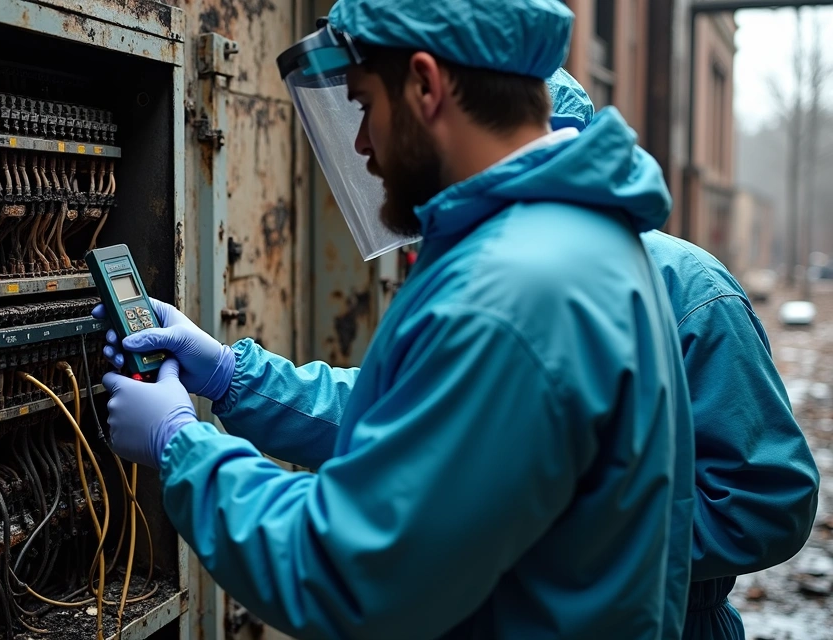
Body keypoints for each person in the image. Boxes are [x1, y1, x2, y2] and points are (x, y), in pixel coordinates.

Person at [96, 0, 696, 637]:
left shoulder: (508, 295)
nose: (360, 144)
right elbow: (420, 418)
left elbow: (352, 573)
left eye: (364, 106)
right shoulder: (570, 239)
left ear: (426, 85)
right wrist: (229, 376)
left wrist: (181, 447)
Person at [548, 69, 820, 640]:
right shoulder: (485, 287)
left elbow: (764, 503)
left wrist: (561, 541)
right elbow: (408, 414)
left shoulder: (686, 288)